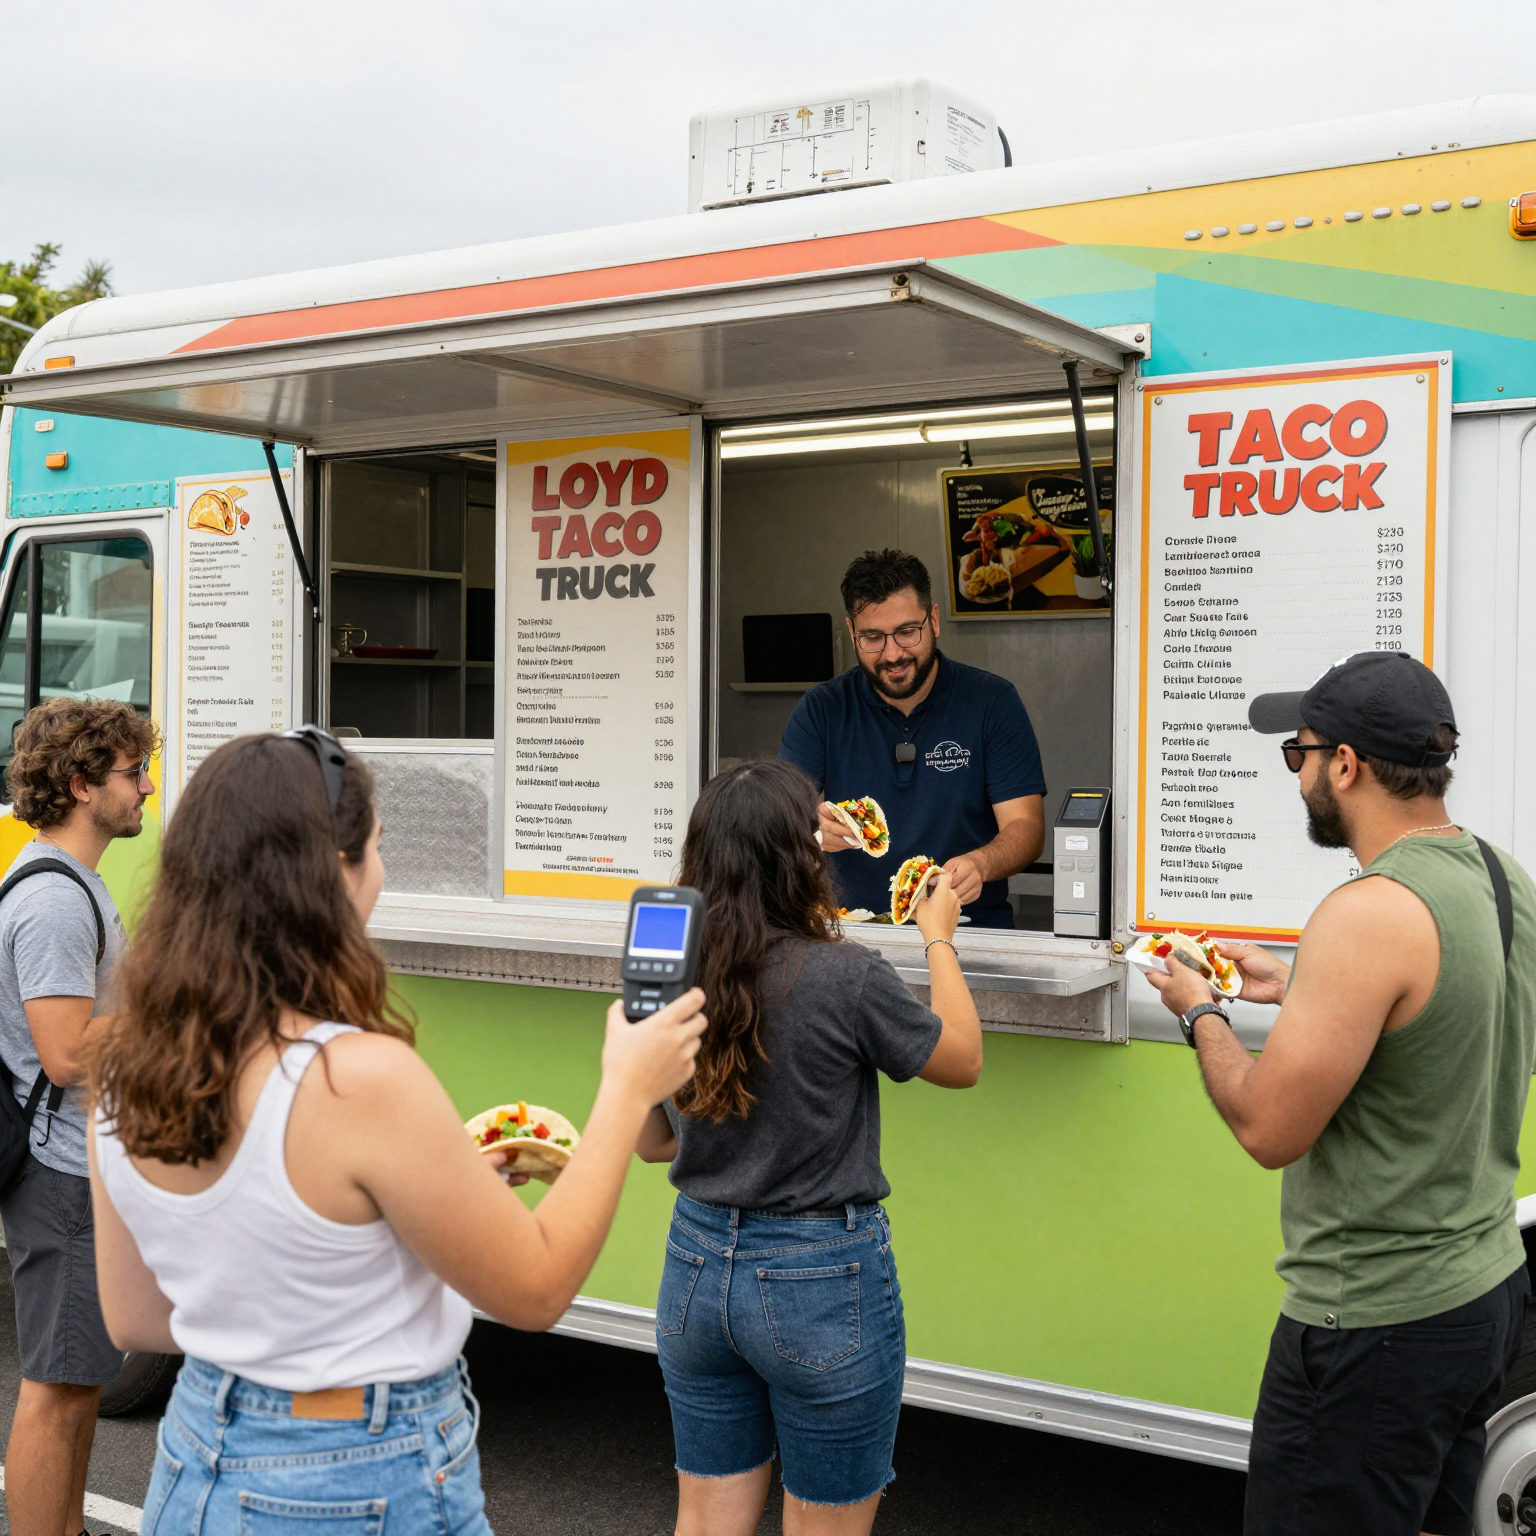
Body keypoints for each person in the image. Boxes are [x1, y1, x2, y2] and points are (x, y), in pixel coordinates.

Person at [85, 728, 708, 1532]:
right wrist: (628, 1089)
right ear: (331, 876)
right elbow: (536, 1288)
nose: (382, 874)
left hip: (196, 1462)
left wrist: (378, 1236)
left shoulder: (120, 1065)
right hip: (355, 1475)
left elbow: (136, 1318)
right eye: (377, 850)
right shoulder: (360, 1076)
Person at [1145, 652, 1536, 1536]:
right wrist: (1305, 991)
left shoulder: (1367, 912)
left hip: (1375, 1320)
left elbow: (1266, 1126)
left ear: (1347, 765)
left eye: (1300, 754)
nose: (1299, 773)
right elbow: (1456, 1020)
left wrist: (1198, 1011)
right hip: (1484, 1291)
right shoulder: (1503, 877)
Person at [636, 758, 983, 1536]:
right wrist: (937, 939)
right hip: (819, 1275)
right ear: (803, 859)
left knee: (706, 1520)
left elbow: (652, 1144)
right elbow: (962, 1060)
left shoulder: (665, 969)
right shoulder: (844, 974)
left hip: (693, 1269)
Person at [0, 697, 156, 1536]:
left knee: (79, 1384)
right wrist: (177, 1012)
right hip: (59, 1175)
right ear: (81, 783)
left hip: (74, 1169)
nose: (146, 789)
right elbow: (64, 1053)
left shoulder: (74, 884)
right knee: (55, 1393)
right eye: (132, 773)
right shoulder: (57, 900)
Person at [779, 548, 1046, 929]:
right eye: (872, 637)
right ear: (852, 632)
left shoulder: (991, 702)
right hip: (852, 932)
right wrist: (814, 828)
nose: (892, 654)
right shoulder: (822, 708)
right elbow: (775, 821)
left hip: (969, 931)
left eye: (907, 632)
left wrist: (982, 863)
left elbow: (1027, 829)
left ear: (933, 620)